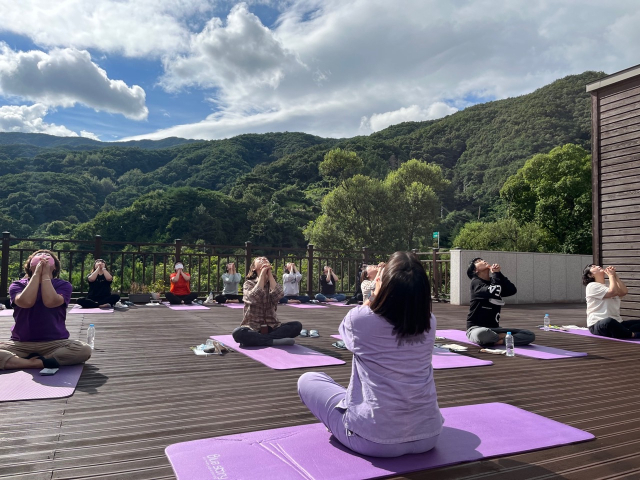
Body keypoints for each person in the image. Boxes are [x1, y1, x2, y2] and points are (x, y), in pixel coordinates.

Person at [298, 251, 443, 457]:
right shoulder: (429, 321)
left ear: (383, 283)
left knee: (309, 380)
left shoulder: (360, 319)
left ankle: (344, 425)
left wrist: (373, 293)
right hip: (429, 436)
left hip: (373, 439)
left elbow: (359, 323)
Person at [0, 250, 92, 371]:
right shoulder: (17, 285)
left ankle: (22, 362)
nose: (43, 257)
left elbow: (50, 302)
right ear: (29, 265)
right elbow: (26, 302)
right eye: (38, 255)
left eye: (48, 256)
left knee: (84, 349)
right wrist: (36, 274)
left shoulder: (63, 285)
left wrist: (45, 276)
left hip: (54, 343)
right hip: (20, 343)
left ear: (55, 267)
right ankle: (40, 362)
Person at [232, 257, 302, 346]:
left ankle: (262, 340)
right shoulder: (248, 283)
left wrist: (269, 275)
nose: (263, 259)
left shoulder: (272, 283)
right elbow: (253, 298)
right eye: (260, 259)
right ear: (253, 268)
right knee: (238, 333)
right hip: (253, 327)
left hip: (273, 326)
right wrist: (262, 275)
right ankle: (272, 341)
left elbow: (279, 295)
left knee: (296, 326)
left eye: (265, 259)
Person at [466, 257, 535, 346]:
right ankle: (503, 337)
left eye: (482, 259)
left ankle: (499, 340)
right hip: (476, 328)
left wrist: (498, 273)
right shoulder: (475, 283)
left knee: (529, 335)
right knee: (482, 334)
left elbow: (512, 290)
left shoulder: (495, 280)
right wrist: (495, 275)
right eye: (478, 261)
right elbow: (494, 290)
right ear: (475, 270)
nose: (483, 261)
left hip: (495, 329)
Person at [583, 264, 640, 339]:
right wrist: (611, 276)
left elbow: (624, 292)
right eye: (593, 267)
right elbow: (613, 292)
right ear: (590, 275)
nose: (597, 266)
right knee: (608, 321)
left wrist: (615, 275)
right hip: (597, 324)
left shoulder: (608, 287)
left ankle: (624, 332)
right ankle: (633, 334)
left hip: (618, 322)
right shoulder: (591, 286)